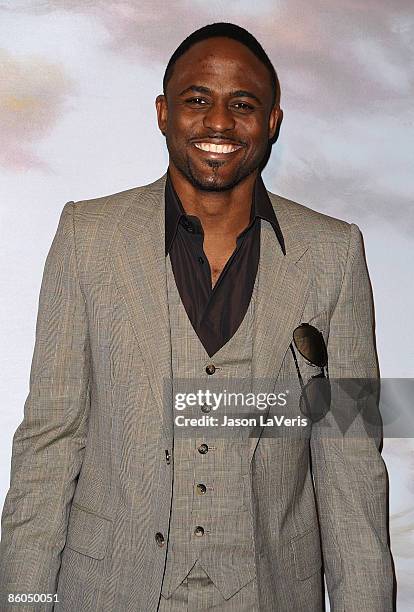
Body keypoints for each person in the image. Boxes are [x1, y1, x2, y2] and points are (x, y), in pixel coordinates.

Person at [0, 22, 394, 612]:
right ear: (163, 113)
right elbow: (49, 444)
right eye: (197, 100)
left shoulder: (334, 253)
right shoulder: (87, 237)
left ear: (272, 122)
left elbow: (351, 460)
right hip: (108, 593)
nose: (218, 122)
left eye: (243, 104)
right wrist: (23, 602)